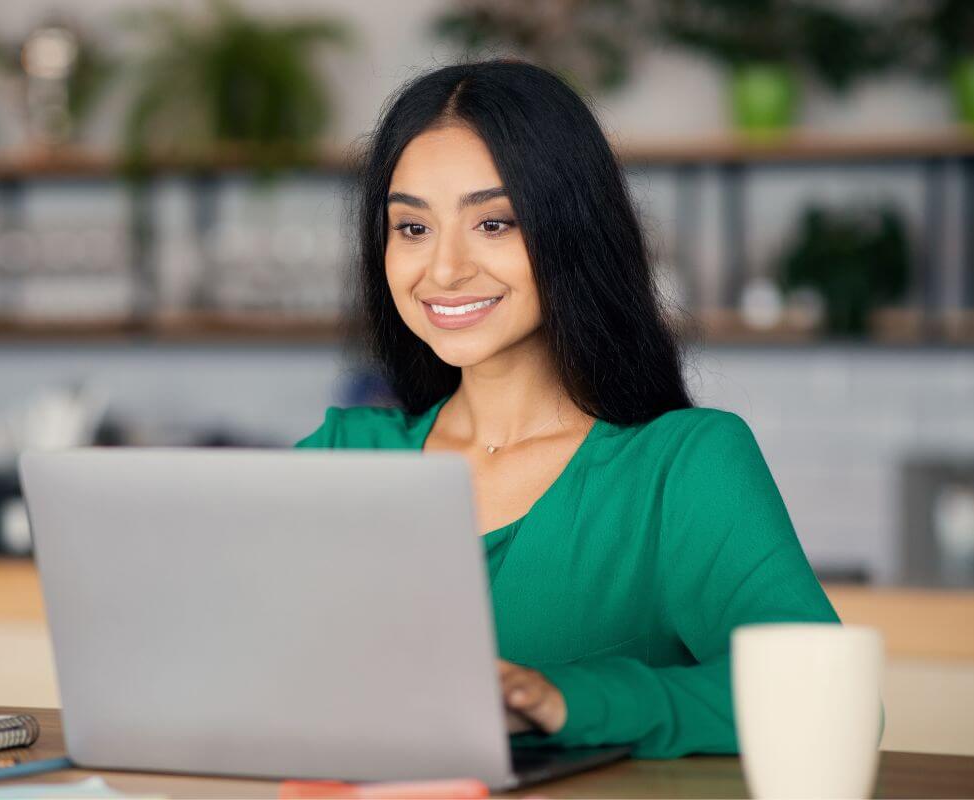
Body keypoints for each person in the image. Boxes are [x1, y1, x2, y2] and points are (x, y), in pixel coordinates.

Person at [294, 58, 855, 758]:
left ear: (573, 230)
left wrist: (566, 699)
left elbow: (816, 697)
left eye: (494, 223)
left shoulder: (681, 467)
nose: (442, 270)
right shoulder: (340, 457)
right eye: (412, 229)